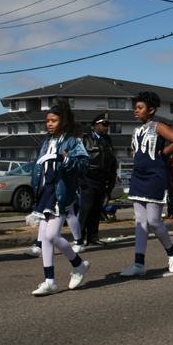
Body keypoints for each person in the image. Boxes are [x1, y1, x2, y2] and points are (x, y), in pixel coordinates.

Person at [28, 100, 90, 296]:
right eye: (48, 120)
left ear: (63, 121)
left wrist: (64, 159)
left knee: (52, 236)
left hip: (61, 192)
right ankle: (50, 281)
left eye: (53, 120)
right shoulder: (47, 142)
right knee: (45, 237)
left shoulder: (72, 142)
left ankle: (79, 264)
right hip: (45, 192)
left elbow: (84, 164)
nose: (49, 124)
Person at [120, 92, 173, 277]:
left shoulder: (159, 126)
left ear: (151, 110)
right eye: (135, 108)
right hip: (138, 177)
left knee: (154, 221)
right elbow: (135, 151)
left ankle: (172, 255)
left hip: (155, 176)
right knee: (140, 222)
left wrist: (163, 154)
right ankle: (139, 263)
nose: (136, 111)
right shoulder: (136, 130)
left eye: (140, 108)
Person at [79, 113, 118, 246]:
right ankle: (79, 239)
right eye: (103, 125)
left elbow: (112, 162)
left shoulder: (107, 141)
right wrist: (81, 180)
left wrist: (111, 181)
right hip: (89, 179)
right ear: (95, 126)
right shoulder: (86, 139)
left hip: (102, 180)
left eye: (107, 125)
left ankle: (93, 237)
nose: (106, 128)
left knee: (97, 210)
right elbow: (78, 160)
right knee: (86, 210)